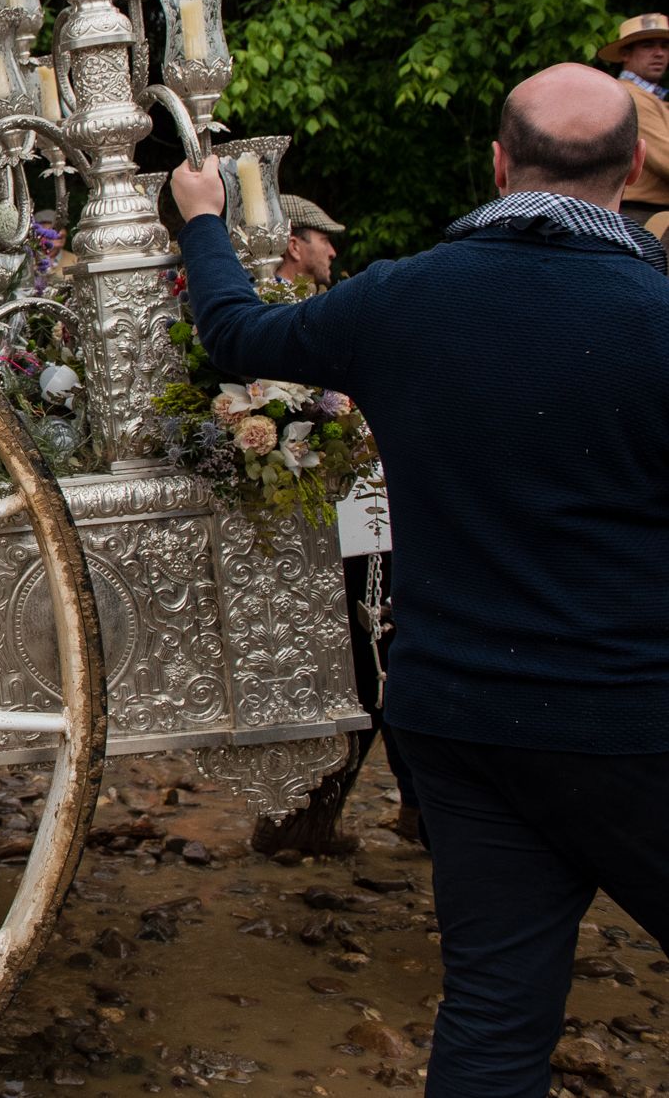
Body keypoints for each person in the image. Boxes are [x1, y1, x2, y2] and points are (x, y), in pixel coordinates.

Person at [167, 62, 668, 1097]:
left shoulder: (400, 296)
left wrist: (204, 218)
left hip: (458, 712)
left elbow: (234, 335)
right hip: (629, 712)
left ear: (495, 162)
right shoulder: (653, 313)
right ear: (632, 170)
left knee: (492, 1008)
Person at [603, 11, 669, 225]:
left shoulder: (652, 98)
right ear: (625, 54)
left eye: (664, 46)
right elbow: (666, 160)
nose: (659, 53)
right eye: (648, 46)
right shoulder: (631, 96)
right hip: (642, 215)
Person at [273, 195, 345, 290]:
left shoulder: (265, 298)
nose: (332, 253)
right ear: (294, 247)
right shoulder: (274, 302)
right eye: (325, 241)